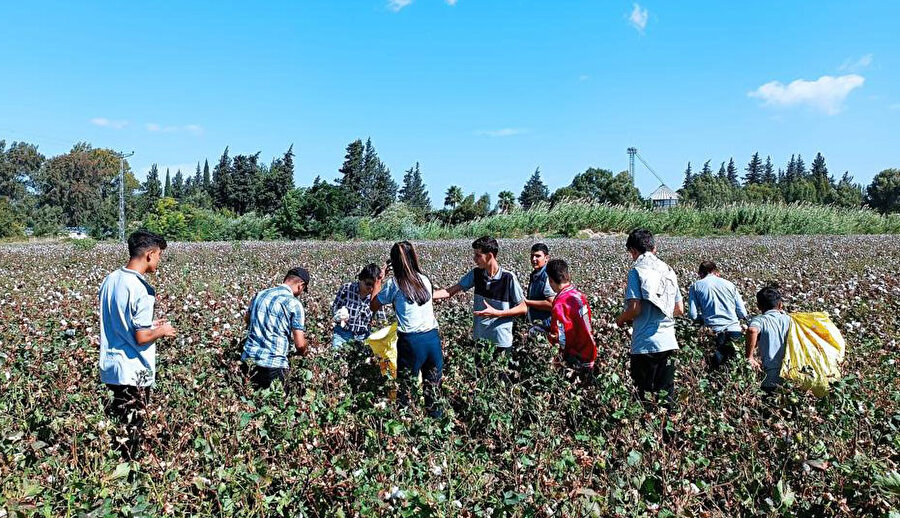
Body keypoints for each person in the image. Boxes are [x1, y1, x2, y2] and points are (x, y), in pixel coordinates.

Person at [98, 230, 177, 459]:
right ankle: (128, 474)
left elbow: (120, 320)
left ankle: (113, 466)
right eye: (160, 255)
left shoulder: (111, 279)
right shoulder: (143, 289)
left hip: (111, 366)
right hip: (133, 372)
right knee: (132, 432)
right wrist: (160, 331)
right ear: (150, 254)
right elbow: (140, 338)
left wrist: (150, 324)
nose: (159, 260)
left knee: (117, 424)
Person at [371, 241, 443, 418]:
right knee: (433, 389)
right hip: (433, 340)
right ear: (413, 258)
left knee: (406, 391)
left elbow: (374, 305)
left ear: (393, 262)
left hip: (411, 342)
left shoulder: (394, 283)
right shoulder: (425, 279)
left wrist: (379, 279)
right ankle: (436, 428)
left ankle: (408, 431)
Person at [615, 229, 684, 410]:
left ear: (633, 251)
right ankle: (667, 436)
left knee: (644, 397)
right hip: (668, 342)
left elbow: (634, 309)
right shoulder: (669, 270)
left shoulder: (636, 271)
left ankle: (647, 433)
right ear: (654, 247)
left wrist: (620, 320)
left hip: (645, 344)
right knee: (666, 396)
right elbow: (679, 309)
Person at [433, 236, 526, 357]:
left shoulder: (508, 278)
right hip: (480, 339)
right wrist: (426, 295)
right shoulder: (476, 274)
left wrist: (496, 313)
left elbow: (523, 308)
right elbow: (450, 291)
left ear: (490, 256)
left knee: (500, 374)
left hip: (501, 340)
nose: (474, 259)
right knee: (480, 374)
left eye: (478, 255)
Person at [241, 267, 310, 390]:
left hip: (249, 361)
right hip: (273, 365)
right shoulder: (294, 304)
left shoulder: (260, 294)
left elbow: (247, 319)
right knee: (276, 405)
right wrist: (304, 350)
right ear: (301, 285)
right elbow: (299, 345)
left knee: (249, 402)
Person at [687, 260, 749, 370]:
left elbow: (692, 314)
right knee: (735, 369)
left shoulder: (696, 286)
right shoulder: (729, 284)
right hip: (734, 330)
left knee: (715, 370)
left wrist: (704, 319)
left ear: (701, 273)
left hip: (713, 331)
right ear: (715, 271)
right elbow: (743, 313)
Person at [545, 259, 597, 377]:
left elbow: (560, 337)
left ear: (551, 280)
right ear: (567, 275)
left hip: (574, 357)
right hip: (589, 352)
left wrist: (556, 360)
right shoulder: (579, 295)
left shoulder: (560, 303)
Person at [746, 286, 792, 393]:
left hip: (770, 378)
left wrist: (750, 357)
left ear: (758, 306)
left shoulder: (760, 320)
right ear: (780, 305)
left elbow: (752, 330)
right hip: (791, 376)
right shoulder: (791, 320)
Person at [331, 263, 388, 348]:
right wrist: (339, 315)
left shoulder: (376, 297)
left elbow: (382, 320)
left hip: (363, 337)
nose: (371, 288)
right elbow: (335, 307)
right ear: (361, 278)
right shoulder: (347, 288)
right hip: (342, 334)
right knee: (336, 359)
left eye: (374, 285)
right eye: (368, 283)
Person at [524, 243, 556, 334]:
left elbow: (552, 304)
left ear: (546, 258)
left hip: (546, 327)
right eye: (532, 256)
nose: (534, 259)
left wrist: (527, 302)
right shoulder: (535, 274)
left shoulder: (547, 276)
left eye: (538, 256)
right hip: (537, 326)